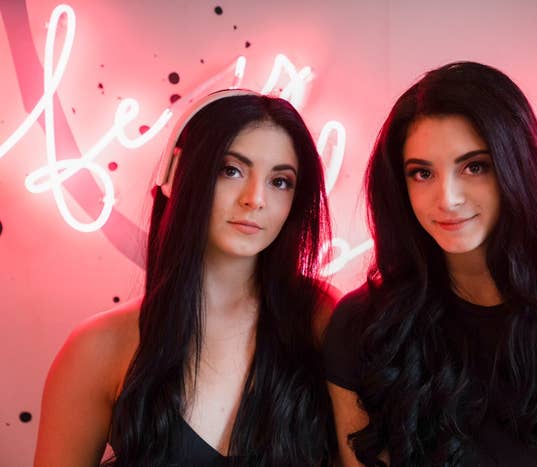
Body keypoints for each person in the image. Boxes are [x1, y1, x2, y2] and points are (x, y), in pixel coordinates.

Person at [323, 62, 537, 466]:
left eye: (474, 166)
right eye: (421, 173)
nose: (447, 198)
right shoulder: (362, 324)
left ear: (517, 168)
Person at [35, 90, 338, 466]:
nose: (255, 198)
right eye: (231, 170)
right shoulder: (99, 348)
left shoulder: (320, 318)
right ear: (175, 174)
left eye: (280, 181)